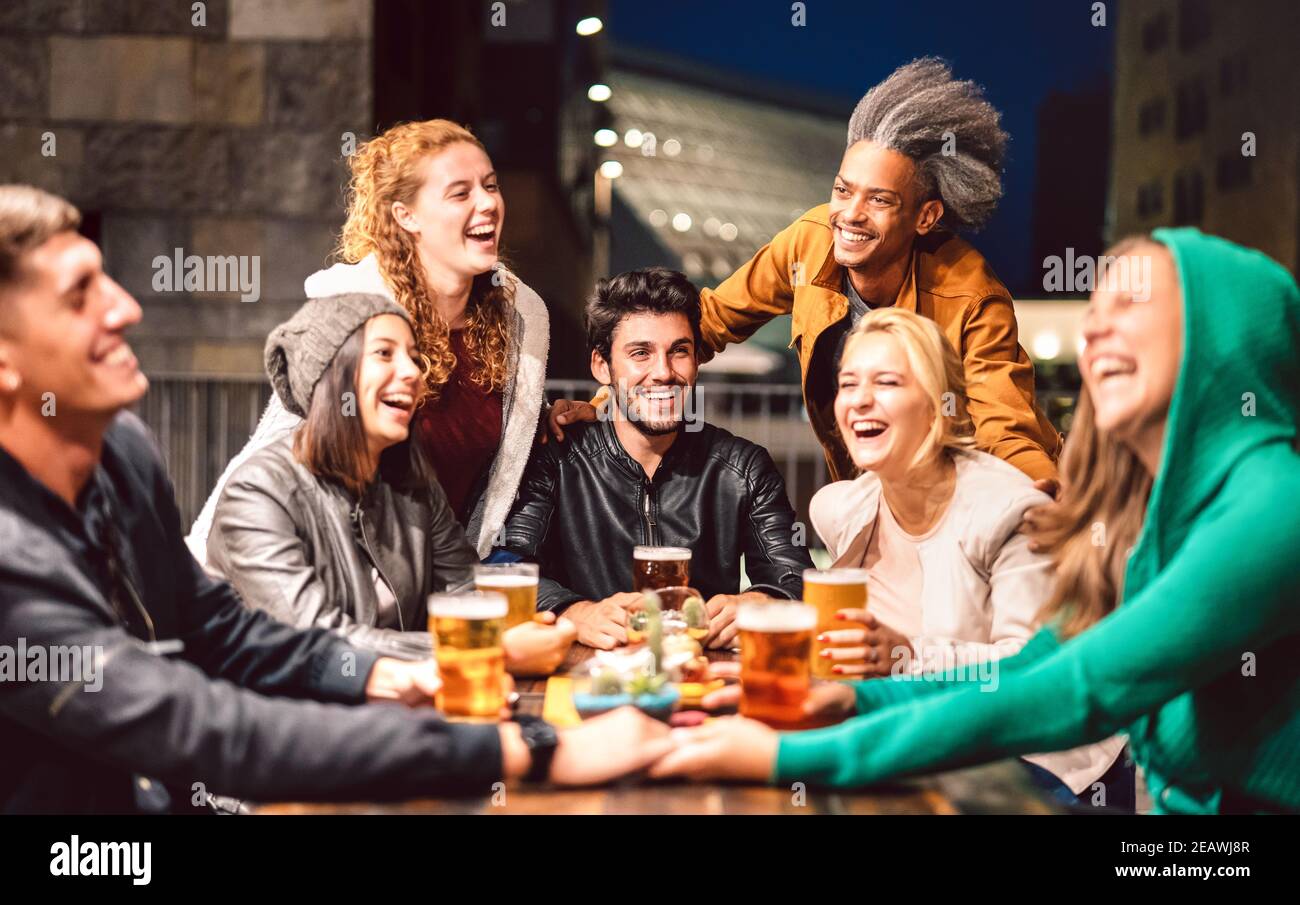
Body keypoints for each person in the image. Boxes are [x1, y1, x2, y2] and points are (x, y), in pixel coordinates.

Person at [0, 184, 670, 814]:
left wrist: (374, 675)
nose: (126, 306)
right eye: (79, 294)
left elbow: (214, 628)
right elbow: (194, 724)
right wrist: (517, 747)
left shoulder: (123, 451)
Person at [650, 230, 1300, 815]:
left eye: (1129, 304)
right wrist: (855, 701)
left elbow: (1077, 687)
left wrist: (781, 759)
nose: (1095, 329)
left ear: (1223, 325)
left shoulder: (1274, 508)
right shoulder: (1161, 512)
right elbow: (1045, 661)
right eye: (1093, 312)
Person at [548, 58, 1061, 494]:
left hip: (963, 491)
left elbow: (1005, 428)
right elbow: (705, 323)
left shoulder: (971, 293)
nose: (850, 214)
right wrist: (607, 403)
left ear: (925, 217)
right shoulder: (810, 241)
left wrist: (1039, 494)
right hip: (866, 489)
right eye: (843, 189)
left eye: (879, 200)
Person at [709, 306, 1127, 806]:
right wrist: (774, 612)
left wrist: (905, 654)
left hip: (1035, 761)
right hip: (920, 728)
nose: (860, 401)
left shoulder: (1008, 510)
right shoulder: (845, 509)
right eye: (848, 384)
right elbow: (850, 640)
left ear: (937, 404)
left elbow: (1032, 670)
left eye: (886, 382)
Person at [188, 118, 549, 562]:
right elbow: (278, 447)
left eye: (491, 186)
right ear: (406, 215)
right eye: (461, 193)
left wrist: (552, 416)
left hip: (447, 580)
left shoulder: (521, 317)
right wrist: (198, 574)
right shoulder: (355, 312)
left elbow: (502, 432)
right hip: (341, 577)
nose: (488, 203)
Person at [205, 293, 574, 674]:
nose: (414, 373)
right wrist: (484, 649)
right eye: (385, 354)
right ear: (331, 375)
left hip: (392, 707)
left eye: (415, 357)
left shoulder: (412, 484)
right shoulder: (259, 490)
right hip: (282, 719)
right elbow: (314, 639)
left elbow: (464, 590)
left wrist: (534, 623)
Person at [498, 268, 814, 650]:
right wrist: (574, 611)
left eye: (679, 351)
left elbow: (797, 577)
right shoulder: (557, 458)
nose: (663, 373)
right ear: (602, 366)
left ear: (697, 359)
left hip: (701, 680)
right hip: (585, 681)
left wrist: (760, 603)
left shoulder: (743, 467)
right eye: (640, 353)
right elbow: (505, 568)